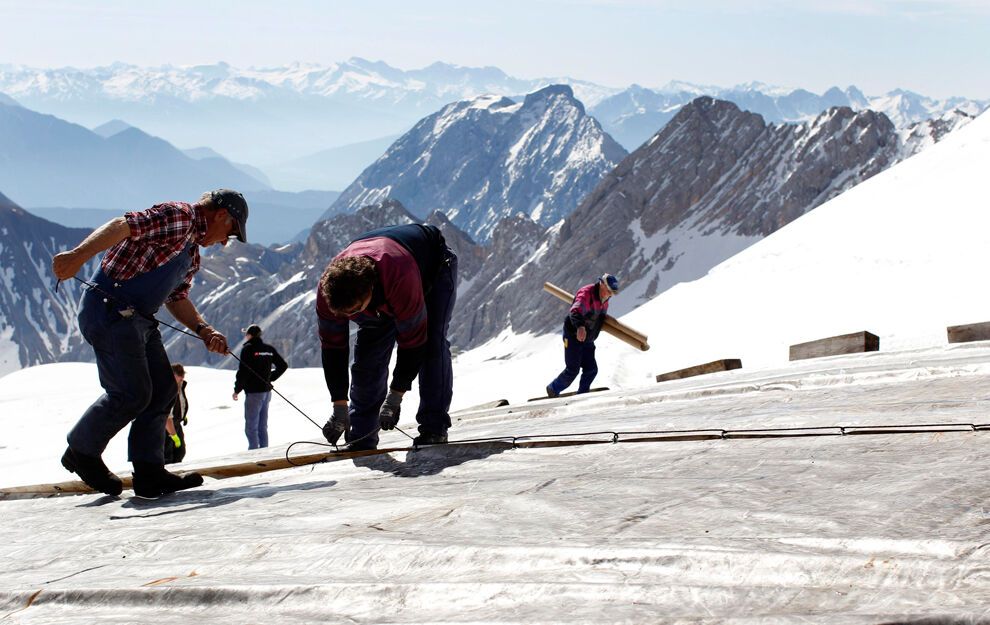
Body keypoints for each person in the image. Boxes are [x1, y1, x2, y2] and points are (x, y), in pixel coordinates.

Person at [51, 189, 249, 498]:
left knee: (163, 389)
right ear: (220, 215)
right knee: (132, 393)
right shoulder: (180, 217)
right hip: (110, 310)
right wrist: (78, 257)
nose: (226, 241)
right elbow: (122, 225)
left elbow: (177, 296)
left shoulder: (192, 252)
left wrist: (203, 329)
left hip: (137, 320)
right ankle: (81, 451)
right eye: (231, 231)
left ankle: (149, 472)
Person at [316, 223, 458, 451]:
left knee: (432, 344)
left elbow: (413, 343)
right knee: (367, 361)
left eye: (355, 311)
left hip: (433, 266)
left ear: (370, 292)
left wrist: (395, 397)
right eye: (344, 315)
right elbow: (333, 348)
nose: (350, 318)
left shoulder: (399, 278)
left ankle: (434, 428)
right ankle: (362, 437)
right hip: (383, 273)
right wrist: (339, 406)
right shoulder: (328, 292)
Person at [546, 273, 619, 398]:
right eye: (608, 291)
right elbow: (575, 311)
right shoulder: (586, 293)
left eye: (612, 293)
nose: (610, 295)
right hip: (573, 335)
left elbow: (598, 319)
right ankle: (553, 389)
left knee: (591, 369)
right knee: (572, 369)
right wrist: (580, 327)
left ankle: (582, 395)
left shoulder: (605, 300)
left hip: (588, 338)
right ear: (601, 284)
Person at [232, 324, 288, 450]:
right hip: (266, 392)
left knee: (251, 426)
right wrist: (270, 377)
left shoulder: (248, 349)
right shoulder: (268, 349)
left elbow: (243, 372)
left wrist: (237, 390)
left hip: (253, 393)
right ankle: (264, 451)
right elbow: (283, 365)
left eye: (246, 334)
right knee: (262, 426)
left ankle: (253, 453)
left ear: (249, 335)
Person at [164, 363, 188, 464]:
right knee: (167, 455)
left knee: (180, 452)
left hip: (176, 424)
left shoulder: (180, 386)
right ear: (172, 375)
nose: (182, 377)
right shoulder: (167, 388)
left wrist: (183, 415)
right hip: (167, 429)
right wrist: (173, 435)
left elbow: (181, 402)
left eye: (183, 374)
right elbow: (166, 416)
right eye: (180, 375)